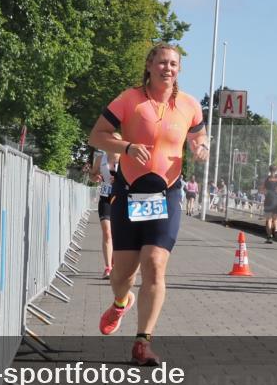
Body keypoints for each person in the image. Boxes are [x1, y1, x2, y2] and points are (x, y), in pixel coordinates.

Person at [88, 43, 208, 365]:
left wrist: (200, 148)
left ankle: (143, 342)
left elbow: (199, 136)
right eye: (162, 62)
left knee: (155, 263)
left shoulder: (189, 105)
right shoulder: (129, 99)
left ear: (179, 70)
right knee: (122, 275)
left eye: (174, 64)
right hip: (130, 192)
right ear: (149, 65)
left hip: (166, 193)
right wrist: (125, 146)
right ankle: (120, 302)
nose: (168, 68)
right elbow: (96, 136)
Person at [90, 144, 120, 278]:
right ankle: (108, 267)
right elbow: (92, 174)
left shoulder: (125, 159)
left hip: (120, 198)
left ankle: (118, 264)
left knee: (118, 234)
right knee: (107, 233)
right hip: (105, 197)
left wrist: (119, 180)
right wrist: (95, 177)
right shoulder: (100, 159)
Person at [262, 165, 277, 242]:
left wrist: (266, 193)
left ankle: (269, 236)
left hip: (269, 200)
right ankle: (276, 230)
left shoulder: (267, 179)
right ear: (276, 170)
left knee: (269, 220)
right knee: (276, 220)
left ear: (269, 170)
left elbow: (262, 190)